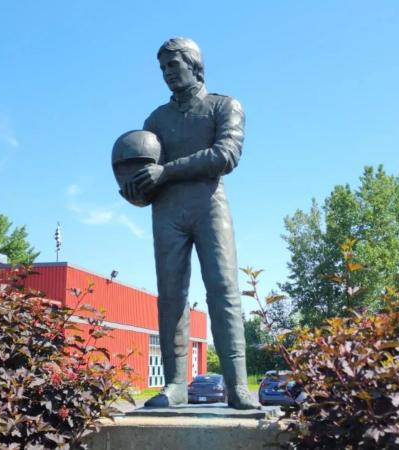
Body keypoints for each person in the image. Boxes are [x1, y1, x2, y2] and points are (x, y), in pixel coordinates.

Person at [121, 37, 260, 409]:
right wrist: (133, 189)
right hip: (166, 212)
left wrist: (165, 172)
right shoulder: (155, 120)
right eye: (162, 67)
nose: (167, 73)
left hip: (209, 206)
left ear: (195, 65)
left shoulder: (224, 106)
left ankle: (237, 386)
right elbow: (144, 170)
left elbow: (225, 155)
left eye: (173, 65)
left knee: (224, 292)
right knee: (171, 298)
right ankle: (174, 384)